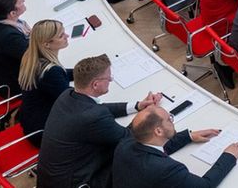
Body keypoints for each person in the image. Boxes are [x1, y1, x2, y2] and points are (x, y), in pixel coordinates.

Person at [36, 54, 165, 188]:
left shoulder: (67, 95)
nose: (111, 80)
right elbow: (129, 137)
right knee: (139, 164)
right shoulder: (93, 117)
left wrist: (137, 106)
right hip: (76, 182)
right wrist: (148, 113)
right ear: (96, 84)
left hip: (51, 177)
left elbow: (98, 108)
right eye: (108, 78)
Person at [116, 104, 238, 187]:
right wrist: (229, 156)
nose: (172, 120)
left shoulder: (125, 142)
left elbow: (155, 145)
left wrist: (189, 136)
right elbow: (205, 186)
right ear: (158, 131)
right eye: (169, 119)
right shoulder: (166, 169)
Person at [17, 19, 70, 139]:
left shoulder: (31, 57)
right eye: (61, 36)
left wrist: (88, 70)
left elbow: (63, 75)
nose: (67, 36)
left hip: (31, 122)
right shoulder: (50, 72)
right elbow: (73, 100)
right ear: (47, 44)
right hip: (44, 133)